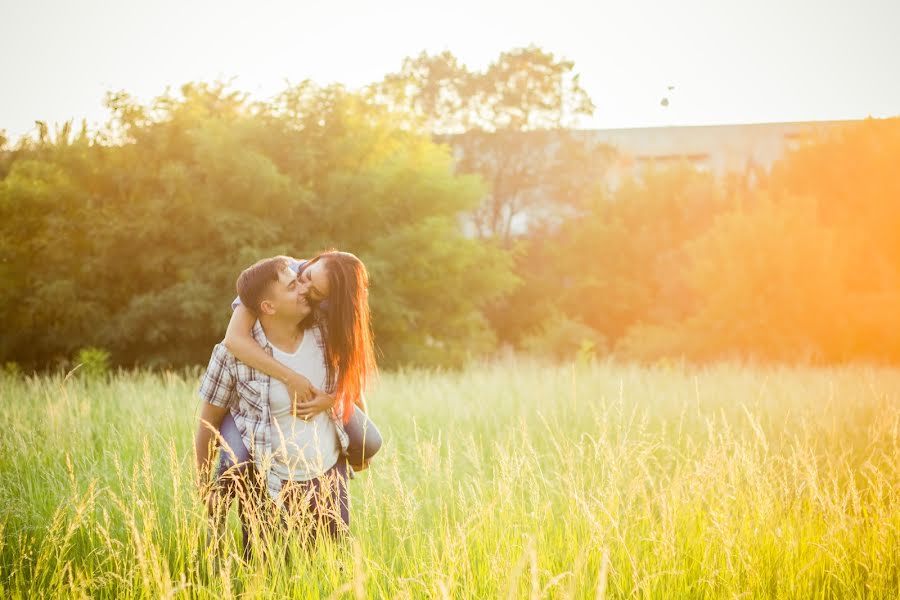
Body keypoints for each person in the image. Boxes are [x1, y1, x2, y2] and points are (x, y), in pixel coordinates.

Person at [194, 256, 376, 560]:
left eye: (312, 289)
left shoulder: (325, 332)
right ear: (268, 306)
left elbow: (352, 379)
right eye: (296, 284)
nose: (303, 289)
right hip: (266, 483)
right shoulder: (233, 354)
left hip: (326, 478)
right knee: (265, 574)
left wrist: (354, 432)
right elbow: (208, 424)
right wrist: (203, 487)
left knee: (333, 574)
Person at [223, 251, 381, 471]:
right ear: (315, 260)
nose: (304, 289)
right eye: (306, 277)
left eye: (315, 292)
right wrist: (290, 378)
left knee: (369, 443)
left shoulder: (339, 307)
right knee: (231, 464)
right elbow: (234, 339)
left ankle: (331, 471)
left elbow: (350, 367)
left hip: (317, 389)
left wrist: (334, 400)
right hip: (257, 390)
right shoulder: (278, 275)